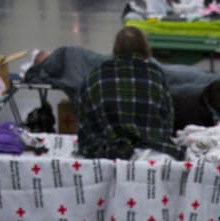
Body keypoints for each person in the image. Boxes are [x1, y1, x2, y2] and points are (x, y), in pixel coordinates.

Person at [76, 26, 183, 160]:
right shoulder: (155, 75)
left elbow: (84, 122)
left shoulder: (94, 76)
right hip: (152, 152)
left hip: (106, 152)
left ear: (116, 47)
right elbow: (167, 120)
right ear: (144, 47)